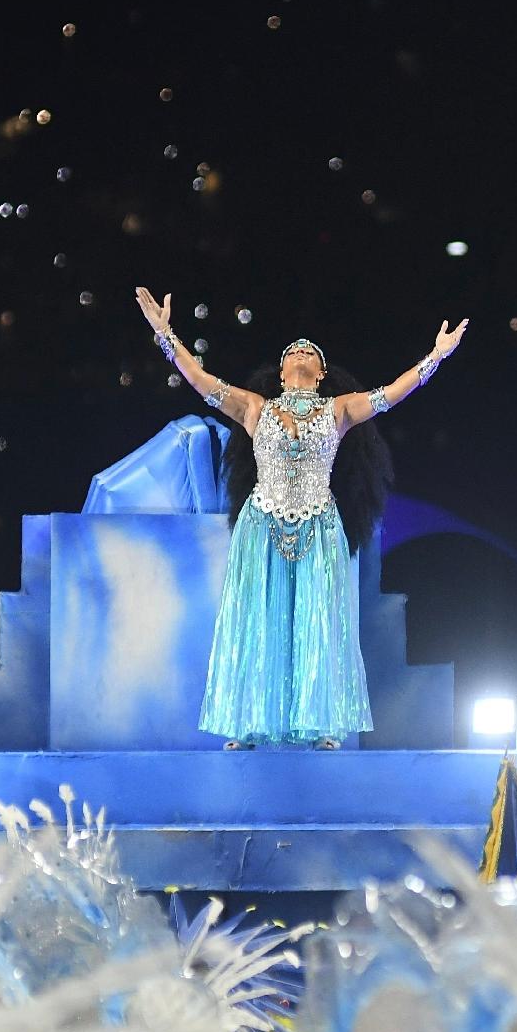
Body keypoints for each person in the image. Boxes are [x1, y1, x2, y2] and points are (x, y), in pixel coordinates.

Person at [134, 287, 467, 749]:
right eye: (293, 351)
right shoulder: (254, 407)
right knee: (257, 621)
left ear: (321, 372)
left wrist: (436, 356)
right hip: (262, 525)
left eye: (310, 352)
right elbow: (200, 380)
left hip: (318, 526)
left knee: (320, 623)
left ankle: (322, 725)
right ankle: (248, 723)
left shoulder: (340, 409)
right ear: (282, 369)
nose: (301, 352)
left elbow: (392, 393)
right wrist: (165, 334)